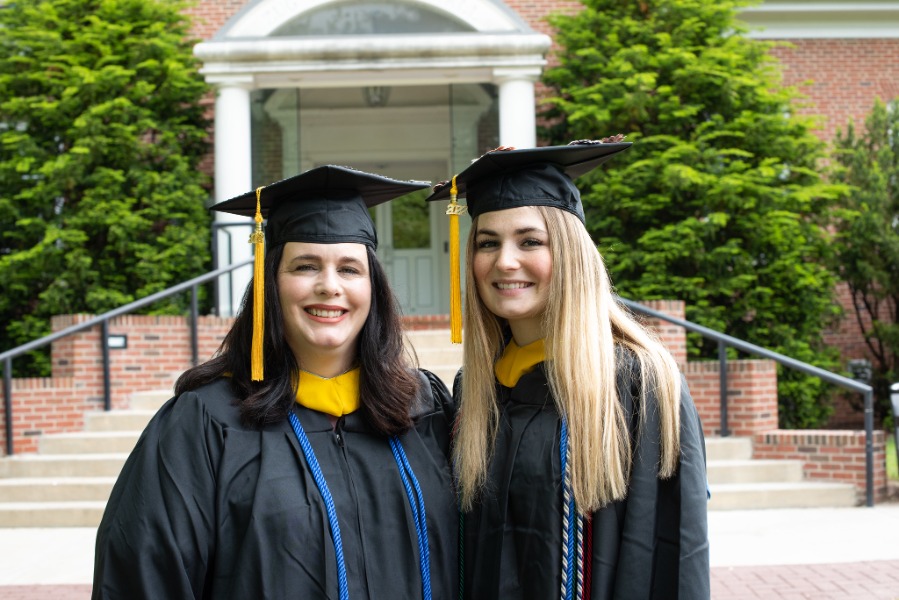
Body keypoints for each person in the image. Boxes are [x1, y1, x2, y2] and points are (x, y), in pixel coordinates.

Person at [93, 165, 458, 599]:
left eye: (349, 269)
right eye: (305, 266)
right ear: (272, 283)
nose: (329, 286)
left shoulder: (423, 408)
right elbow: (145, 578)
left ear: (373, 287)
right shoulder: (205, 425)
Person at [427, 139, 710, 599]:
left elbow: (668, 554)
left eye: (530, 241)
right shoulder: (474, 394)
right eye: (487, 243)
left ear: (570, 253)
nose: (505, 261)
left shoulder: (636, 383)